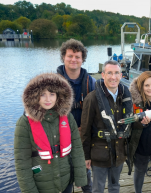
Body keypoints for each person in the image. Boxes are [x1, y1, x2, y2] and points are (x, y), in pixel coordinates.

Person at [14, 73, 87, 193]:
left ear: (59, 96)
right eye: (43, 94)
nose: (48, 99)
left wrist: (80, 177)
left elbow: (77, 149)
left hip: (66, 182)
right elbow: (21, 162)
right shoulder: (24, 123)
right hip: (41, 185)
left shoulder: (68, 118)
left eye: (52, 94)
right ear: (35, 96)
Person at [80, 60, 133, 193]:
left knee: (115, 187)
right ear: (103, 75)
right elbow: (85, 130)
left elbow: (131, 123)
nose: (113, 77)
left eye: (116, 73)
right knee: (98, 188)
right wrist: (86, 156)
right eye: (109, 73)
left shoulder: (126, 97)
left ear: (121, 76)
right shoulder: (91, 99)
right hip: (99, 155)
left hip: (119, 153)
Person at [57, 38, 95, 193]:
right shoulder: (53, 81)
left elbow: (97, 111)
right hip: (60, 136)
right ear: (63, 57)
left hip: (83, 136)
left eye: (77, 56)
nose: (74, 59)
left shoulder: (91, 82)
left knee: (84, 174)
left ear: (82, 59)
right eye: (70, 56)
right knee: (64, 176)